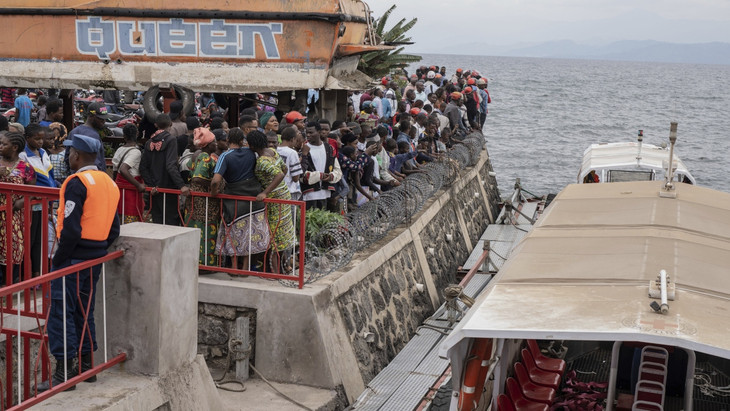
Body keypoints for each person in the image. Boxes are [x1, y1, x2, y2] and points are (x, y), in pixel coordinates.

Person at [37, 134, 120, 392]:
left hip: (73, 258)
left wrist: (60, 260)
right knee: (85, 309)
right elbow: (114, 230)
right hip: (94, 257)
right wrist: (96, 249)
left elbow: (71, 230)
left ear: (75, 155)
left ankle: (64, 373)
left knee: (62, 312)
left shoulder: (77, 183)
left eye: (69, 152)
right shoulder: (109, 183)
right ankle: (86, 367)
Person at [211, 128, 270, 270]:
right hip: (254, 199)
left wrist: (214, 193)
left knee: (233, 233)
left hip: (234, 201)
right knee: (250, 234)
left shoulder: (225, 156)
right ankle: (245, 268)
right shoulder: (251, 153)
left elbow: (215, 181)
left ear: (227, 140)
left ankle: (235, 267)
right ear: (242, 141)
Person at [248, 130, 296, 273]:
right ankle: (282, 267)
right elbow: (284, 168)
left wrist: (265, 191)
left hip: (275, 200)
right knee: (282, 234)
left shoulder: (262, 161)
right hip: (284, 194)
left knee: (274, 236)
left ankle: (275, 271)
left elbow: (280, 174)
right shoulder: (272, 152)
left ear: (252, 146)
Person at [19, 124, 58, 278]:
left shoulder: (43, 152)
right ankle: (27, 274)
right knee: (30, 239)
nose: (41, 142)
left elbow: (50, 175)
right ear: (27, 138)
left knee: (39, 240)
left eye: (42, 139)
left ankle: (37, 273)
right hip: (32, 204)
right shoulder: (23, 155)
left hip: (45, 201)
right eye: (37, 139)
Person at [139, 114, 190, 225]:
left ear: (156, 125)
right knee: (171, 223)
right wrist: (181, 185)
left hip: (155, 191)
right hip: (169, 189)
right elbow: (171, 166)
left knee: (158, 222)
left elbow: (143, 167)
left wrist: (152, 185)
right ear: (170, 124)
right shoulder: (171, 140)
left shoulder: (149, 142)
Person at [0, 132, 36, 285]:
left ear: (14, 147)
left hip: (14, 214)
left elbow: (32, 191)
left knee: (13, 246)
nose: (0, 147)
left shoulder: (26, 167)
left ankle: (8, 283)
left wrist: (21, 201)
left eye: (4, 144)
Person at [185, 127, 220, 266]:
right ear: (207, 144)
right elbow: (197, 178)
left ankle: (193, 262)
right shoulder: (205, 157)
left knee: (194, 230)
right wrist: (213, 184)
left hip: (195, 199)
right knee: (205, 231)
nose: (216, 144)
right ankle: (205, 264)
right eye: (214, 141)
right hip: (203, 201)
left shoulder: (196, 154)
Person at [301, 122, 341, 209]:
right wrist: (320, 176)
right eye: (306, 133)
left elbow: (338, 170)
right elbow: (300, 172)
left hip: (326, 194)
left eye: (311, 132)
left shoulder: (329, 148)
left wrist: (331, 176)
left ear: (318, 132)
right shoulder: (303, 149)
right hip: (309, 195)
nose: (308, 135)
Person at [112, 124, 145, 223]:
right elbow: (123, 169)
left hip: (119, 187)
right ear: (138, 134)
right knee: (131, 216)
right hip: (131, 189)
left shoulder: (119, 149)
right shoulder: (136, 152)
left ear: (124, 136)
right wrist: (138, 185)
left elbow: (115, 171)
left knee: (119, 216)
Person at [67, 102, 109, 172]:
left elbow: (67, 158)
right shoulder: (93, 136)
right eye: (100, 119)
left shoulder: (73, 131)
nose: (104, 121)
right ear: (91, 116)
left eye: (105, 119)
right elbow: (96, 164)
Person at [277, 126, 303, 201]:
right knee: (291, 212)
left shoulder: (275, 150)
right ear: (292, 139)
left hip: (277, 189)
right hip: (289, 190)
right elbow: (295, 178)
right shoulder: (292, 153)